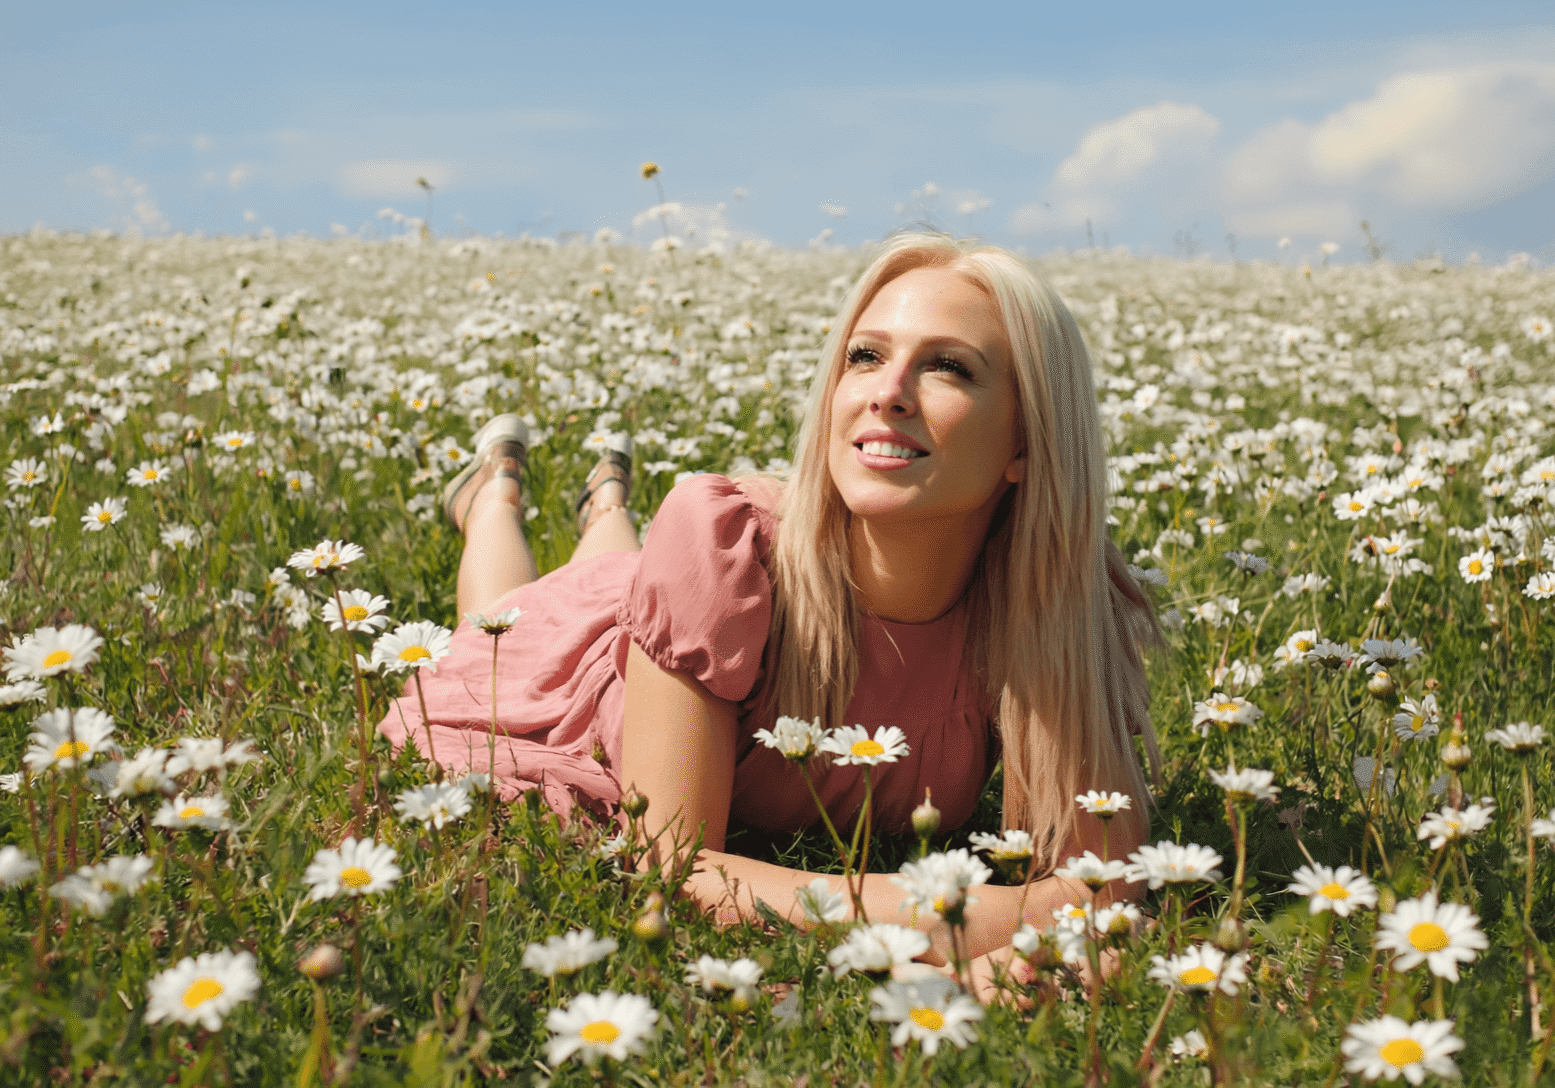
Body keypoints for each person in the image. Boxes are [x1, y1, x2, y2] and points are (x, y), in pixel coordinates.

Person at [378, 232, 1162, 995]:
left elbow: (1105, 889)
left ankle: (605, 502)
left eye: (948, 368)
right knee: (499, 622)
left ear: (1027, 442)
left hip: (655, 605)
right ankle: (493, 497)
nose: (885, 391)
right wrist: (973, 925)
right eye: (864, 356)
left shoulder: (1054, 601)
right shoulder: (721, 543)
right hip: (581, 685)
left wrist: (1036, 926)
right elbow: (676, 869)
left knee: (611, 568)